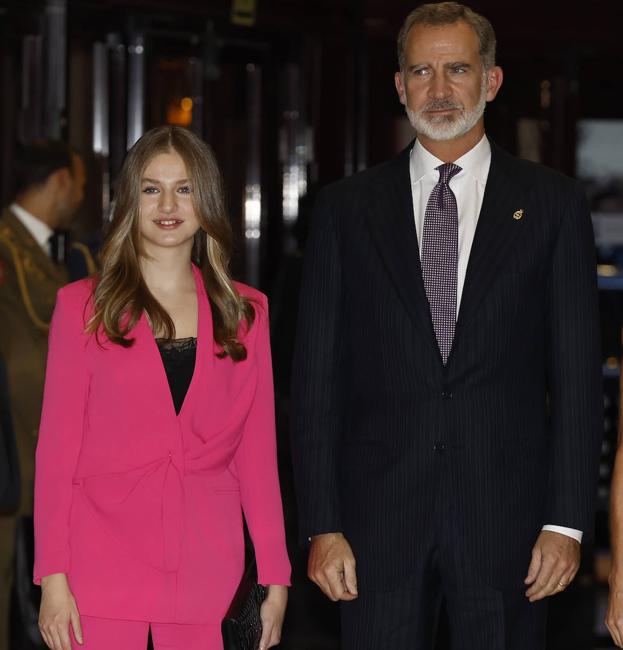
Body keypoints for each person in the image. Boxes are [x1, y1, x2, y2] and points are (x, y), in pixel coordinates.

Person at [290, 3, 602, 649]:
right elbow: (315, 379)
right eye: (420, 71)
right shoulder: (345, 210)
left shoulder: (551, 205)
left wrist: (565, 523)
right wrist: (321, 523)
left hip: (510, 529)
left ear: (489, 81)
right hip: (372, 528)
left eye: (456, 69)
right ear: (398, 85)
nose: (438, 89)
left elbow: (577, 379)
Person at [33, 125, 290, 650]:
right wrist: (52, 578)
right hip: (99, 568)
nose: (168, 204)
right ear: (131, 200)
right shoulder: (82, 307)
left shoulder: (247, 312)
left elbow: (258, 458)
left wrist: (275, 576)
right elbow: (57, 453)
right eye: (151, 188)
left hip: (207, 570)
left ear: (207, 199)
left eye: (185, 187)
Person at [0, 140, 86, 650]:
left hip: (35, 459)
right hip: (12, 452)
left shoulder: (56, 251)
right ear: (57, 181)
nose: (78, 194)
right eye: (76, 182)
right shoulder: (8, 246)